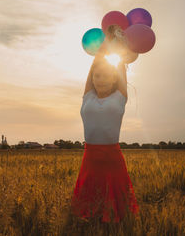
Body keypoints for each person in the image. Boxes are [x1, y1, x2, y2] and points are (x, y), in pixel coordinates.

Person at [71, 25, 139, 223]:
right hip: (90, 156)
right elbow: (94, 66)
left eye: (106, 76)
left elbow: (119, 66)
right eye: (97, 76)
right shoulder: (87, 97)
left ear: (114, 81)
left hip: (111, 157)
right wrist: (104, 45)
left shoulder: (119, 97)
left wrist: (116, 44)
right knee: (88, 210)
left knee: (117, 207)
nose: (100, 80)